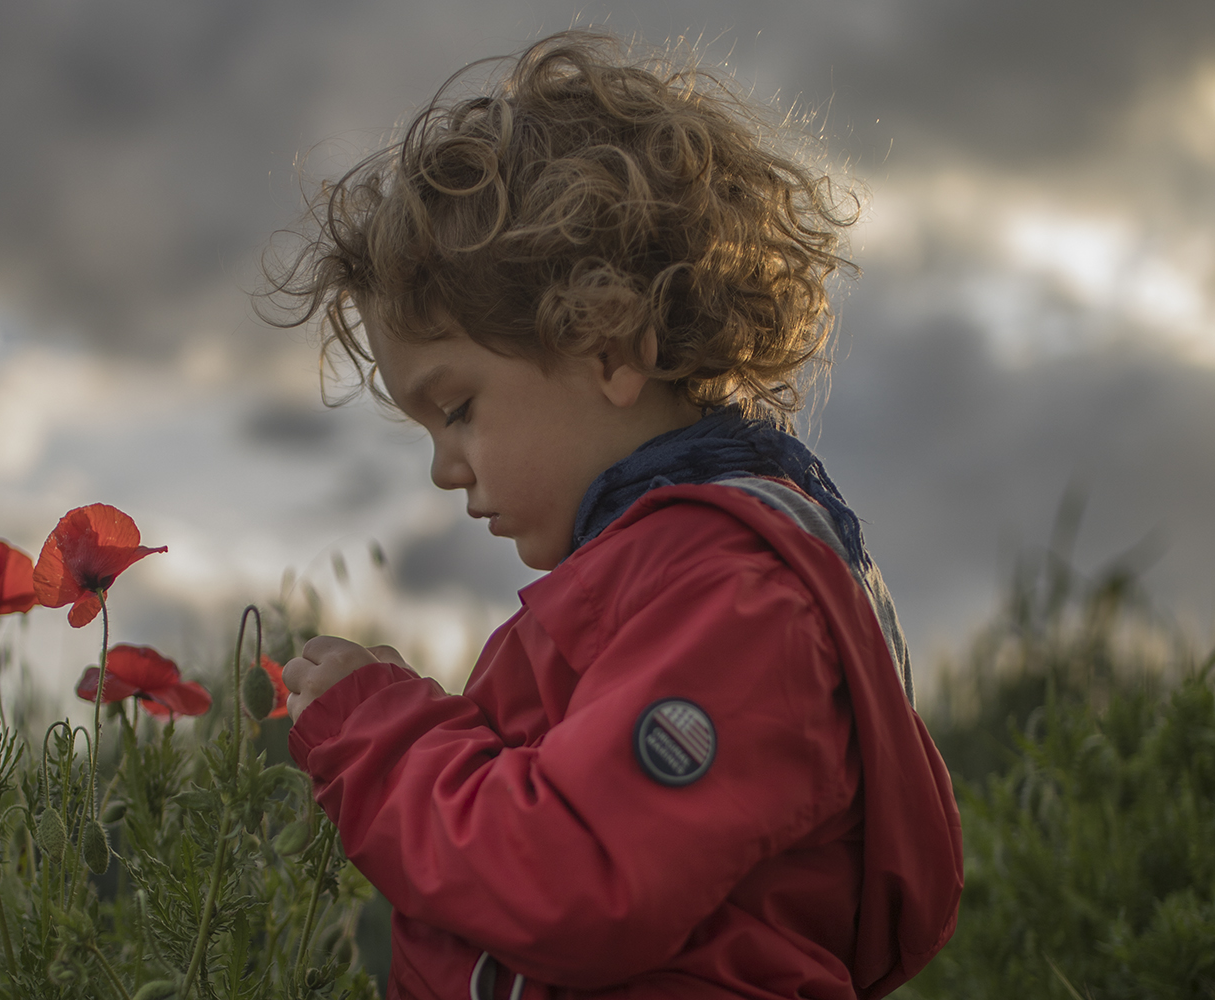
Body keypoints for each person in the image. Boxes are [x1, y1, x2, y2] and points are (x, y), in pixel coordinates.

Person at [265, 30, 962, 999]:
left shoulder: (732, 600)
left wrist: (378, 736)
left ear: (610, 348)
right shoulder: (673, 580)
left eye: (457, 409)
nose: (443, 469)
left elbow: (571, 876)